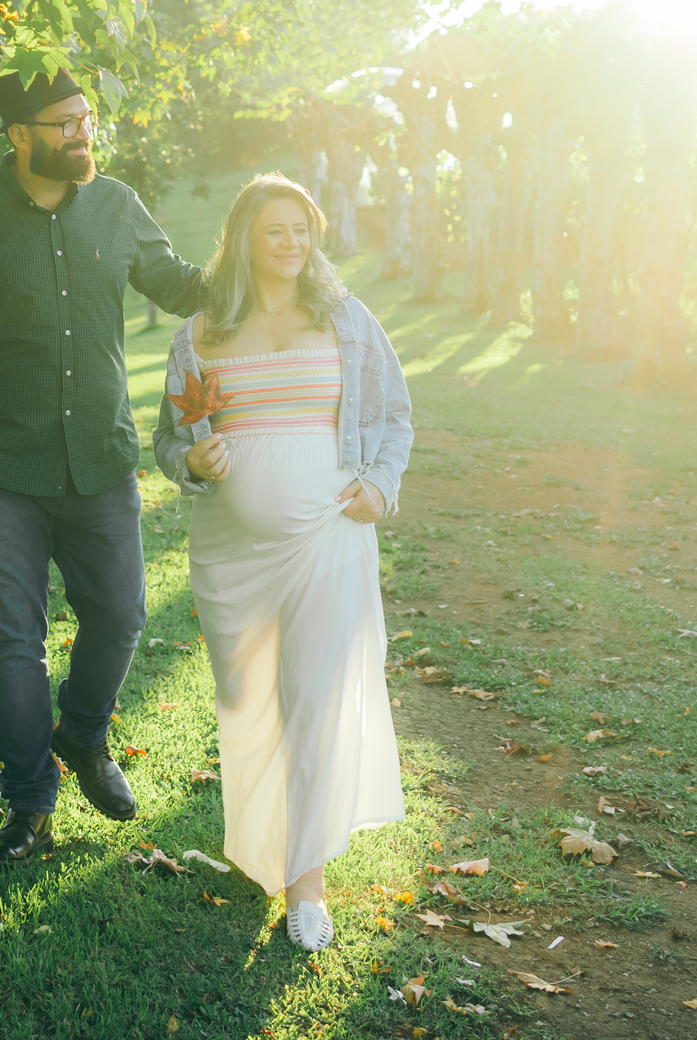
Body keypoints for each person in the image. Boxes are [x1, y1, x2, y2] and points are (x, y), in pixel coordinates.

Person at [0, 66, 202, 863]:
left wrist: (265, 258)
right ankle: (30, 804)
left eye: (87, 118)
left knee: (122, 615)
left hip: (99, 456)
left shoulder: (118, 205)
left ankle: (84, 732)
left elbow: (179, 287)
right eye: (65, 122)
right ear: (20, 135)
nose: (83, 133)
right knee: (13, 641)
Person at [153, 172, 413, 951]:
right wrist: (193, 463)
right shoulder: (202, 331)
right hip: (233, 554)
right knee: (250, 705)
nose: (293, 242)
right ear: (240, 240)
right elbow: (168, 441)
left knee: (312, 701)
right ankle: (263, 853)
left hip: (329, 536)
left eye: (303, 228)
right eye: (277, 229)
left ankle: (307, 887)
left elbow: (394, 414)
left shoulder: (346, 321)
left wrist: (380, 485)